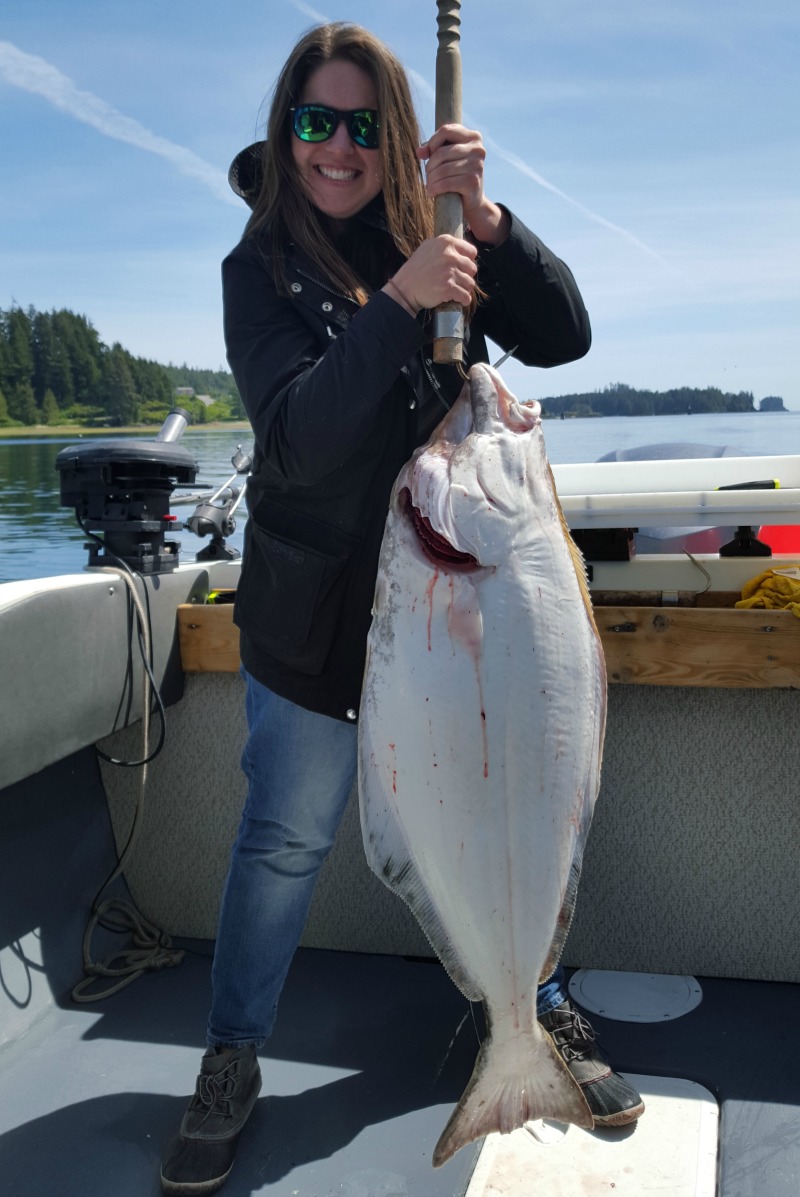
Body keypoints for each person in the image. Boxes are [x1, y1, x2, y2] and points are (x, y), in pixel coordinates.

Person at [160, 22, 643, 1195]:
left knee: (512, 800)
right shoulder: (257, 270)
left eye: (358, 124)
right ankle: (231, 1057)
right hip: (319, 629)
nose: (334, 147)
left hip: (460, 621)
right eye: (310, 123)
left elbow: (566, 335)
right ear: (284, 136)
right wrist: (398, 303)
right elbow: (299, 440)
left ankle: (526, 1017)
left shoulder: (437, 238)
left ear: (390, 132)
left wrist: (481, 224)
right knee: (281, 844)